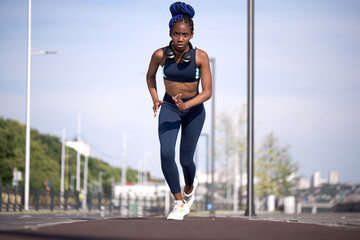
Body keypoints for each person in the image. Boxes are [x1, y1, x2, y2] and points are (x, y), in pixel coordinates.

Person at [146, 2, 212, 220]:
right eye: (176, 34)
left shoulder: (200, 57)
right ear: (170, 34)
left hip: (193, 110)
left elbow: (208, 92)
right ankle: (179, 202)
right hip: (170, 108)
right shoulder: (159, 55)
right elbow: (150, 77)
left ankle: (190, 187)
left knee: (185, 160)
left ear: (191, 35)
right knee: (166, 153)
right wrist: (156, 99)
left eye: (184, 34)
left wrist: (188, 104)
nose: (180, 39)